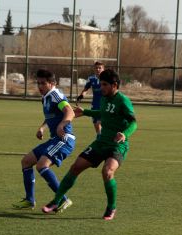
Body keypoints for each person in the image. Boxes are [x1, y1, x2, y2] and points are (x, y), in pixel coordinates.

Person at [42, 69, 137, 220]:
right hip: (101, 143)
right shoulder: (105, 98)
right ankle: (57, 200)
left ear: (115, 85)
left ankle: (111, 207)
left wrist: (125, 134)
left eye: (105, 85)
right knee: (76, 167)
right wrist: (85, 112)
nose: (101, 88)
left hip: (117, 145)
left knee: (107, 172)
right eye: (100, 84)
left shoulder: (123, 101)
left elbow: (133, 122)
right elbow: (103, 113)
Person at [12, 69, 75, 210]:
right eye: (38, 83)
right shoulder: (46, 97)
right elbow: (51, 116)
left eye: (43, 83)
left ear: (52, 83)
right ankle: (29, 200)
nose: (40, 86)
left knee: (41, 165)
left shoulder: (55, 95)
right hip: (54, 139)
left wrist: (62, 125)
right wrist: (42, 128)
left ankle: (63, 199)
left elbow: (69, 111)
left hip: (64, 139)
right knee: (26, 161)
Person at [76, 61, 105, 136]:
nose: (98, 69)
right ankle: (100, 140)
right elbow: (86, 89)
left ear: (103, 69)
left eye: (100, 68)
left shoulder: (106, 78)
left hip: (104, 103)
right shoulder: (91, 78)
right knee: (96, 125)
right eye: (96, 68)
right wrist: (81, 96)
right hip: (95, 104)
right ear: (94, 69)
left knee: (100, 122)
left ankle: (102, 140)